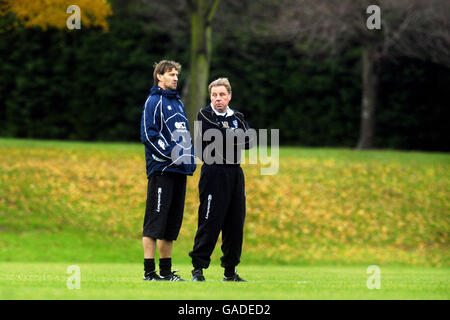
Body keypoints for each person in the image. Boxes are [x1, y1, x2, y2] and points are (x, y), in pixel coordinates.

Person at [189, 78, 254, 282]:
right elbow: (209, 138)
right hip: (213, 172)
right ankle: (198, 269)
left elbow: (250, 140)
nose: (218, 99)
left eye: (222, 95)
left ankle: (230, 271)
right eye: (214, 95)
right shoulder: (204, 115)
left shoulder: (239, 117)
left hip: (235, 173)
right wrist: (233, 136)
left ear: (229, 96)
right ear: (210, 97)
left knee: (235, 223)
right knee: (210, 220)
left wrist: (226, 136)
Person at [140, 60, 196, 281]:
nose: (175, 78)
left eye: (176, 75)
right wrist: (171, 155)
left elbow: (184, 138)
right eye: (170, 74)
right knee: (155, 221)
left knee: (171, 225)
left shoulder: (179, 103)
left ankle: (165, 272)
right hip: (161, 170)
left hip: (178, 172)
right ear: (159, 77)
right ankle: (149, 272)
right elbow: (149, 135)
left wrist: (188, 159)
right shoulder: (153, 101)